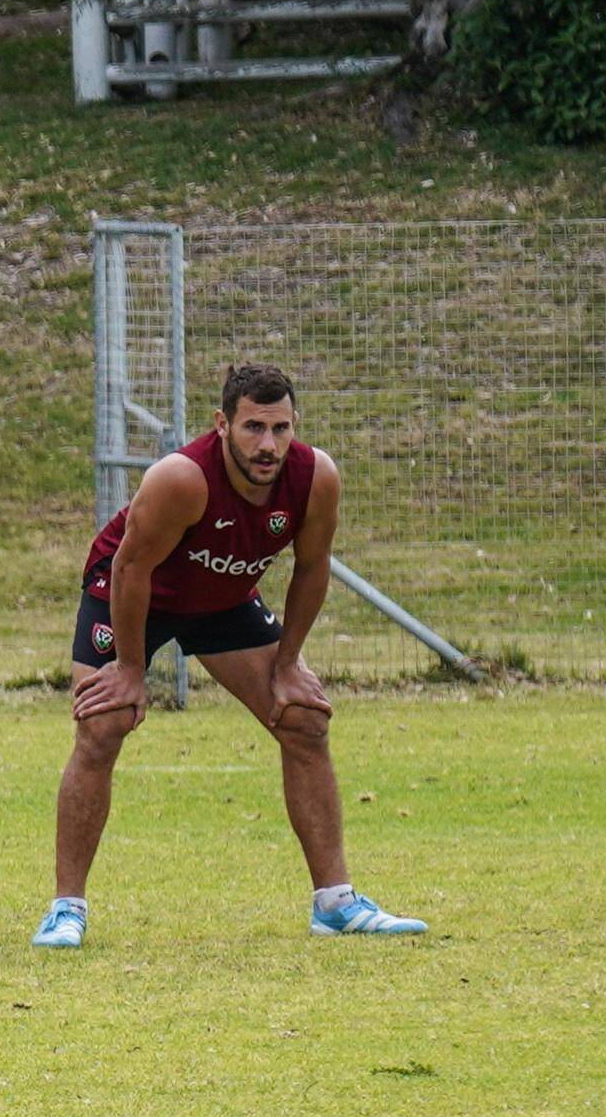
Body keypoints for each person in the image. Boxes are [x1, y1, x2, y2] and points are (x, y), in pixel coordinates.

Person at [46, 361, 426, 949]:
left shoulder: (316, 477)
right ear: (222, 425)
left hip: (222, 598)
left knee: (303, 719)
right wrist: (130, 670)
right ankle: (66, 910)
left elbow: (312, 568)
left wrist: (289, 663)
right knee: (103, 724)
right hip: (134, 593)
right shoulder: (182, 479)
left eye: (280, 428)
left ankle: (335, 904)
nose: (267, 444)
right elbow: (130, 568)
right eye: (253, 427)